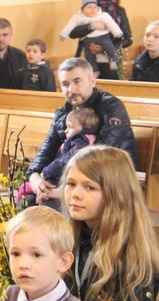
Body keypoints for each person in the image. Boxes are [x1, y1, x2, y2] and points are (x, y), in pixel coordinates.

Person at [62, 145, 159, 301]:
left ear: (117, 195)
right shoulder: (69, 241)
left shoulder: (134, 260)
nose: (75, 194)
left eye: (90, 187)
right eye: (71, 184)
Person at [26, 58, 135, 207]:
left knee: (47, 209)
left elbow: (101, 155)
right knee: (25, 204)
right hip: (70, 181)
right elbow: (49, 146)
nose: (71, 90)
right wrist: (34, 176)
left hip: (108, 181)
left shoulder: (111, 107)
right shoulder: (63, 112)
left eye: (77, 81)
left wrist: (63, 190)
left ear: (92, 81)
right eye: (65, 84)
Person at [17, 107, 99, 203]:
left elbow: (64, 161)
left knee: (24, 187)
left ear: (85, 129)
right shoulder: (81, 140)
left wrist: (45, 173)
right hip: (61, 179)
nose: (66, 131)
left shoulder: (80, 141)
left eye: (70, 127)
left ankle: (14, 214)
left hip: (60, 180)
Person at [68, 0, 133, 79]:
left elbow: (127, 39)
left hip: (110, 60)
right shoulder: (85, 10)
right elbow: (72, 33)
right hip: (86, 59)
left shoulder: (119, 11)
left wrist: (104, 47)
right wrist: (91, 26)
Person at [60, 0, 123, 76]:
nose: (92, 9)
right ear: (83, 9)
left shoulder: (103, 15)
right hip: (88, 41)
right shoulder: (79, 18)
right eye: (89, 7)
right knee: (89, 56)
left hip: (103, 38)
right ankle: (94, 70)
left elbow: (112, 24)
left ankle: (113, 61)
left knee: (109, 47)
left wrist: (117, 33)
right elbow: (70, 27)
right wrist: (63, 34)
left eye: (94, 7)